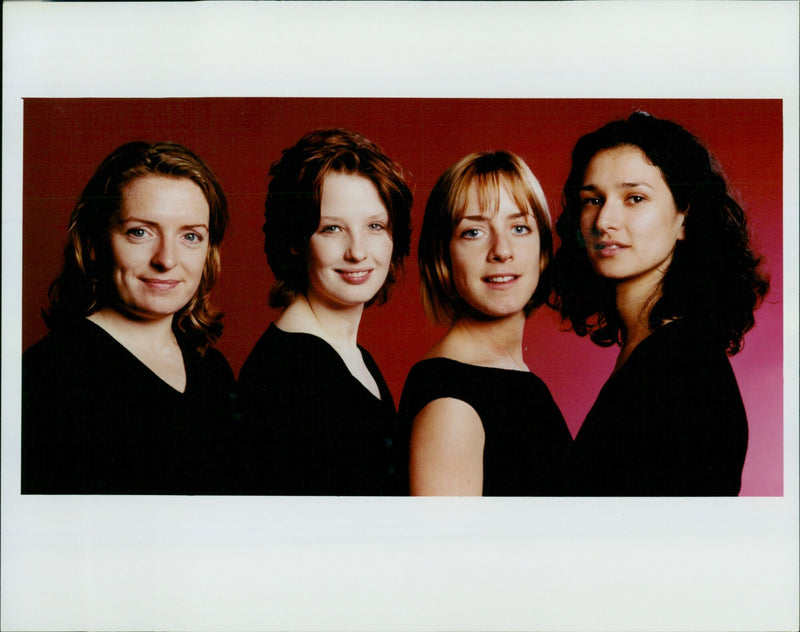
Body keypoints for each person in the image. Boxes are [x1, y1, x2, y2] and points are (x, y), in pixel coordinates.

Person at [550, 111, 769, 496]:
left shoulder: (686, 368)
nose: (604, 220)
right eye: (592, 200)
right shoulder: (651, 351)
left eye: (635, 198)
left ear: (684, 219)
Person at [22, 141, 237, 494]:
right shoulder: (49, 376)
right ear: (93, 242)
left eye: (190, 236)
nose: (166, 259)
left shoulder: (212, 370)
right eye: (140, 232)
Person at [237, 129, 413, 495]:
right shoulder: (289, 373)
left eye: (375, 226)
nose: (358, 251)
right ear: (295, 242)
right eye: (332, 228)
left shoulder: (351, 357)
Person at [398, 151, 572, 496]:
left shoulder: (515, 380)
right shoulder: (450, 403)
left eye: (520, 227)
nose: (502, 250)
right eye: (473, 232)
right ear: (442, 256)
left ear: (542, 249)